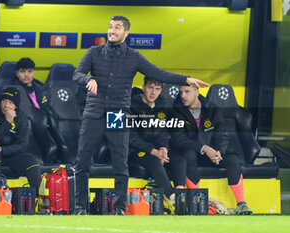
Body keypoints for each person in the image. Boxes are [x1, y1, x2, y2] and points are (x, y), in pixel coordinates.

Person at [72, 15, 208, 215]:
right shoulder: (94, 52)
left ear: (126, 33)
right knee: (82, 162)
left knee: (120, 163)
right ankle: (79, 207)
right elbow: (77, 74)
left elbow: (158, 73)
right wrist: (88, 79)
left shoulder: (134, 56)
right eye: (110, 27)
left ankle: (119, 208)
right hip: (94, 113)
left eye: (117, 27)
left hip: (117, 114)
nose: (112, 30)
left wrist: (186, 79)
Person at [169, 85, 253, 215]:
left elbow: (222, 135)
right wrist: (204, 148)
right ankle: (194, 201)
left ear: (197, 92)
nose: (183, 96)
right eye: (181, 92)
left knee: (232, 158)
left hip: (211, 153)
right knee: (189, 155)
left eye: (187, 92)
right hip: (191, 152)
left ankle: (241, 204)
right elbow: (179, 140)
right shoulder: (176, 111)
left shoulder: (212, 109)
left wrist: (219, 151)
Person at [129, 77, 187, 214]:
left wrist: (163, 148)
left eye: (157, 89)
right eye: (150, 88)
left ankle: (180, 195)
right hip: (135, 151)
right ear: (143, 87)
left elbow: (163, 133)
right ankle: (173, 199)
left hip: (156, 150)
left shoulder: (162, 106)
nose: (153, 92)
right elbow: (131, 138)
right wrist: (153, 151)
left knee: (180, 161)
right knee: (155, 161)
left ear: (161, 91)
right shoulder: (131, 106)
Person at [0, 87, 41, 189]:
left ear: (16, 105)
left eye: (11, 102)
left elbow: (22, 145)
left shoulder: (21, 117)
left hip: (10, 155)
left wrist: (1, 149)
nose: (6, 105)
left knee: (32, 162)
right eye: (4, 101)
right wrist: (7, 123)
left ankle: (37, 197)